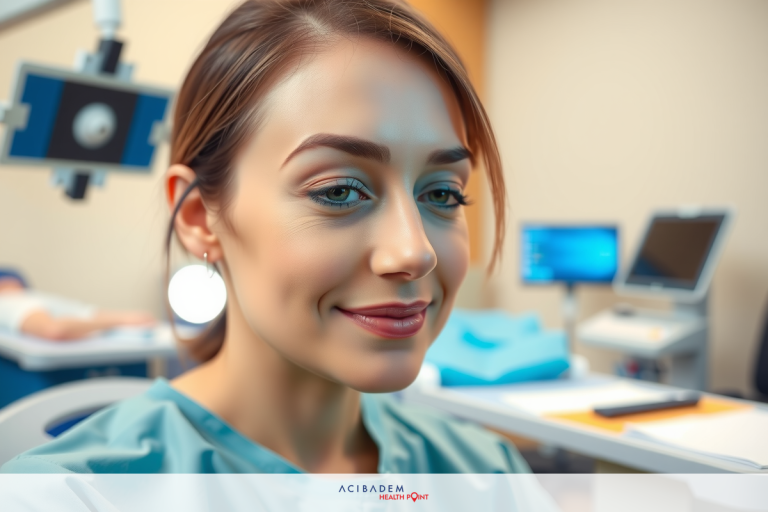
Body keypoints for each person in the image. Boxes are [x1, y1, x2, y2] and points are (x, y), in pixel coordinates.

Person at [1, 0, 524, 474]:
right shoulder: (70, 493)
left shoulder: (483, 471)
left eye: (443, 195)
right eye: (340, 191)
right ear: (199, 217)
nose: (415, 252)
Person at [0, 268, 155, 341]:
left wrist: (127, 318)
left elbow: (87, 313)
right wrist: (121, 320)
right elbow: (53, 330)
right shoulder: (8, 300)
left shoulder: (36, 298)